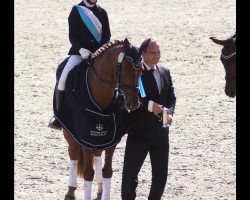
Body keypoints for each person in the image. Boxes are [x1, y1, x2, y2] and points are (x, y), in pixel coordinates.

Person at [121, 38, 176, 200]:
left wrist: (168, 114)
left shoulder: (165, 71)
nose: (156, 56)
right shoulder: (135, 72)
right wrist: (150, 106)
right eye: (152, 52)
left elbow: (171, 98)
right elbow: (132, 97)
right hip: (139, 132)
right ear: (143, 53)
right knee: (130, 176)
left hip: (161, 133)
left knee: (161, 175)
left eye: (158, 52)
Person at [48, 0, 111, 130]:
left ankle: (117, 112)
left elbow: (107, 36)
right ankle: (59, 117)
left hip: (98, 54)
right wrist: (81, 49)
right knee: (62, 81)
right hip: (79, 53)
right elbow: (73, 36)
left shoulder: (102, 12)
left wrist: (99, 51)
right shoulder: (76, 10)